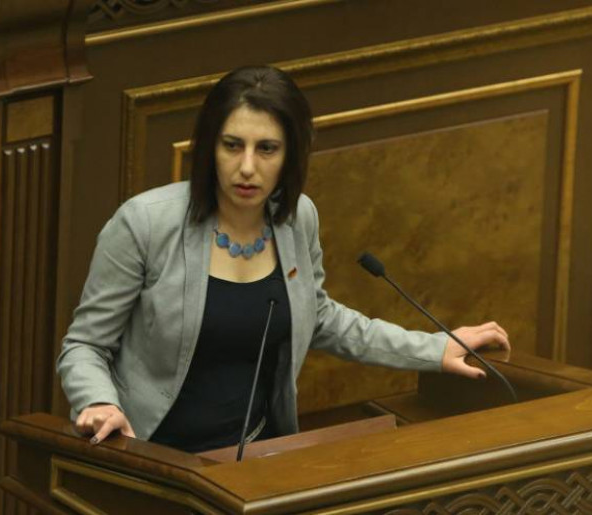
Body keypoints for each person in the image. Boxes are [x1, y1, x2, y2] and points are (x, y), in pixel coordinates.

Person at [57, 65, 510, 452]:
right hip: (154, 455)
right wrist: (99, 403)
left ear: (290, 154)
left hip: (254, 458)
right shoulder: (144, 223)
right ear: (210, 147)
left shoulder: (297, 218)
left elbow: (320, 318)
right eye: (232, 145)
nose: (247, 167)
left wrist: (434, 348)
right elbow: (85, 346)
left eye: (266, 149)